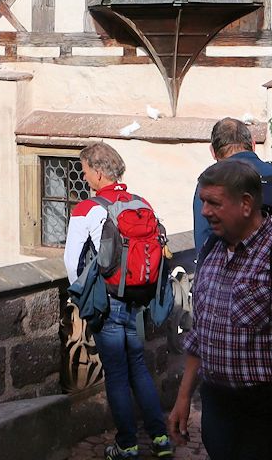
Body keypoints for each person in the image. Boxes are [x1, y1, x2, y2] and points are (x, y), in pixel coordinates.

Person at [169, 159, 272, 460]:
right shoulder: (212, 250)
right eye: (203, 201)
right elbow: (200, 335)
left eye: (213, 203)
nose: (204, 212)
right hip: (218, 409)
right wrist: (183, 397)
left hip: (263, 415)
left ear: (246, 204)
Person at [64, 142, 175, 460]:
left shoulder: (88, 208)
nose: (84, 178)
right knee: (138, 367)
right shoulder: (141, 203)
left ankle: (127, 444)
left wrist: (84, 297)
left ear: (98, 172)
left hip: (108, 299)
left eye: (85, 171)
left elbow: (72, 263)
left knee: (116, 373)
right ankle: (161, 439)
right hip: (138, 298)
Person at [190, 117, 272, 258]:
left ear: (213, 151)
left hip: (232, 270)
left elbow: (204, 237)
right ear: (253, 145)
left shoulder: (212, 179)